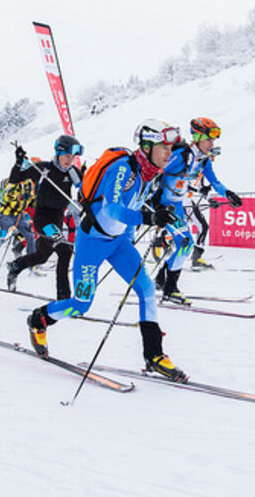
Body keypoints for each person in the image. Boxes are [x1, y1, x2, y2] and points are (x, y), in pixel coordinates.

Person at [26, 119, 187, 382]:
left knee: (146, 290)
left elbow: (133, 207)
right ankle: (39, 319)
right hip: (91, 243)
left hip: (118, 242)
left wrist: (155, 221)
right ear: (146, 147)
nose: (170, 154)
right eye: (164, 148)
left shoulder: (150, 173)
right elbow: (111, 209)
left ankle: (154, 355)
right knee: (80, 305)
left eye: (171, 149)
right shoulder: (125, 168)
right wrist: (149, 219)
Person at [154, 117, 242, 304]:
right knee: (185, 244)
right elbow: (155, 171)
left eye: (213, 140)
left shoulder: (203, 160)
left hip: (177, 206)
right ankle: (169, 287)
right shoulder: (180, 155)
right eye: (209, 140)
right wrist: (150, 200)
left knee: (184, 244)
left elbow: (215, 182)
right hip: (163, 205)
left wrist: (229, 194)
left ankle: (164, 281)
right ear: (198, 137)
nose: (212, 144)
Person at [6, 135, 84, 299]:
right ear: (58, 152)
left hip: (57, 217)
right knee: (65, 251)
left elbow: (84, 189)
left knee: (42, 256)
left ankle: (15, 266)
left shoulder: (72, 172)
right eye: (67, 156)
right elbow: (14, 178)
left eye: (73, 157)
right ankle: (64, 297)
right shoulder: (43, 168)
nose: (70, 160)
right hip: (42, 218)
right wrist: (19, 162)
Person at [0, 179, 36, 264]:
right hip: (6, 215)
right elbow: (7, 198)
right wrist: (22, 201)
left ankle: (32, 263)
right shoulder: (11, 182)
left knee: (30, 236)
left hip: (20, 215)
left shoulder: (29, 183)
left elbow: (32, 198)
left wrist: (34, 203)